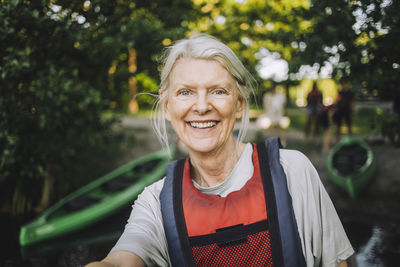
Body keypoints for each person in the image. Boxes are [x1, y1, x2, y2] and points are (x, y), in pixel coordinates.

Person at [86, 34, 354, 267]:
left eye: (217, 91)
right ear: (167, 107)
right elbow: (121, 259)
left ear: (239, 104)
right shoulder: (155, 203)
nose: (201, 106)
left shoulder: (292, 171)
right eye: (185, 93)